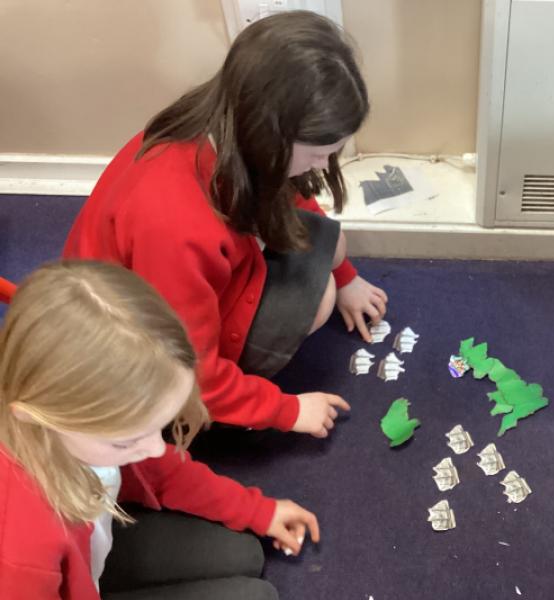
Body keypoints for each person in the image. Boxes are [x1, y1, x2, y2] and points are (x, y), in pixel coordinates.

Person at [63, 11, 385, 436]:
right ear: (270, 136)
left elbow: (289, 193)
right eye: (318, 153)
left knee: (330, 246)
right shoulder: (175, 226)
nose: (325, 166)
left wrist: (346, 277)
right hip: (139, 357)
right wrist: (286, 411)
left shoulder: (225, 124)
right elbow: (191, 368)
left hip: (169, 292)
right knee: (318, 294)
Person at [0, 261, 320, 599]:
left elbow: (160, 469)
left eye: (159, 428)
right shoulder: (20, 551)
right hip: (55, 573)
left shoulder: (80, 428)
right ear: (42, 419)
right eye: (127, 442)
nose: (157, 448)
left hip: (86, 547)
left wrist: (257, 511)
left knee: (244, 554)